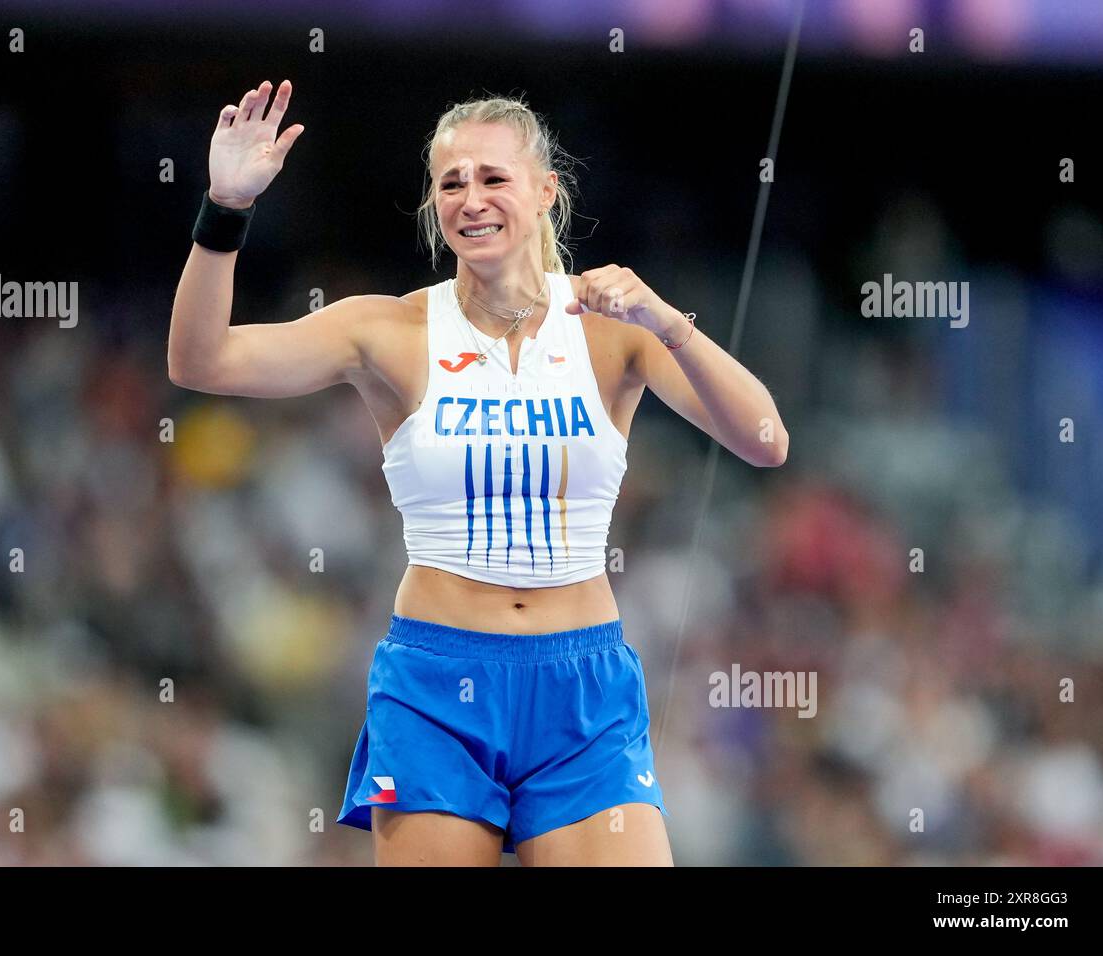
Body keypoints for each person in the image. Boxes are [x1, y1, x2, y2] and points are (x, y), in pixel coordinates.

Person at [168, 79, 789, 866]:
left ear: (544, 191)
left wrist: (668, 324)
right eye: (452, 183)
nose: (472, 198)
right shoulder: (387, 329)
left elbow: (766, 440)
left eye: (494, 178)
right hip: (439, 688)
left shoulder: (612, 329)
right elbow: (200, 360)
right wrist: (225, 208)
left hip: (581, 690)